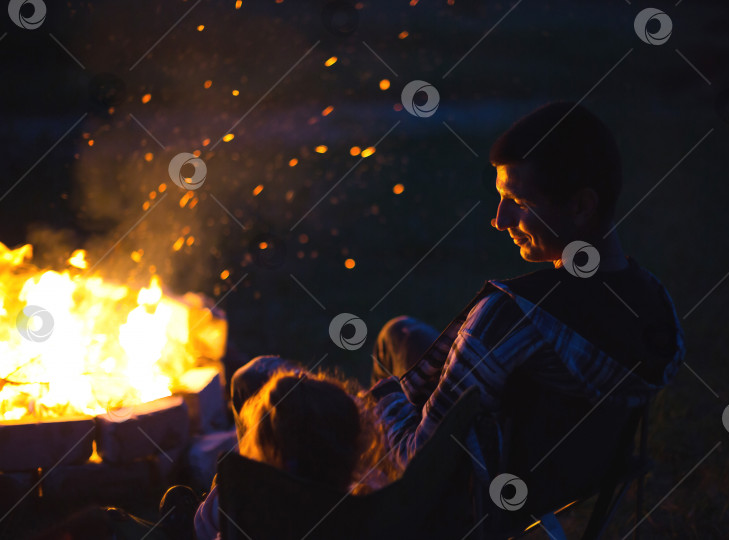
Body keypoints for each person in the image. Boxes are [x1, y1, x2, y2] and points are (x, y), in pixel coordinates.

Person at [368, 102, 686, 475]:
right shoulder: (655, 308)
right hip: (567, 479)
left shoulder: (509, 317)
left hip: (474, 491)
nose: (500, 220)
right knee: (402, 335)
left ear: (581, 206)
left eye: (518, 202)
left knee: (387, 349)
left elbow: (418, 461)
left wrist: (376, 400)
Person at [194, 356, 395, 540]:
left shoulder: (253, 515)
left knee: (202, 504)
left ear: (269, 455)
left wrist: (223, 491)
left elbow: (207, 524)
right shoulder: (371, 500)